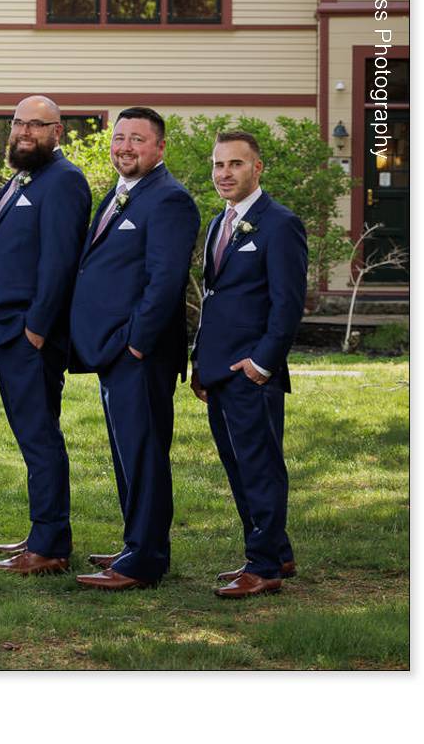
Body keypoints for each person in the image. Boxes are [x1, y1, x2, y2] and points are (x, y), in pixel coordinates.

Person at [70, 107, 199, 590]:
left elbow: (164, 282)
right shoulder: (123, 193)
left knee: (143, 453)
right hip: (113, 350)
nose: (125, 146)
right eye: (119, 137)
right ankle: (136, 542)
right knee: (128, 452)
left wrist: (136, 346)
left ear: (160, 148)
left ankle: (144, 560)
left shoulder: (169, 199)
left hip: (138, 354)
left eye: (137, 139)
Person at [0, 96, 91, 575]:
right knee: (32, 438)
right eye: (18, 123)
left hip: (30, 335)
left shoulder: (64, 181)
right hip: (5, 332)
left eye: (36, 125)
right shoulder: (24, 176)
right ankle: (41, 533)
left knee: (40, 440)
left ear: (57, 132)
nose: (23, 132)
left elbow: (59, 262)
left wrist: (37, 329)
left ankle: (49, 548)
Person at [190, 131, 308, 598]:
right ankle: (277, 551)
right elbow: (215, 299)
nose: (224, 174)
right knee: (238, 466)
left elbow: (287, 305)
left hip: (252, 372)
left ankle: (263, 568)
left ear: (257, 168)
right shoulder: (221, 222)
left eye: (235, 164)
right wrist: (202, 363)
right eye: (219, 165)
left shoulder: (279, 224)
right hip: (219, 370)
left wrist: (263, 364)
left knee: (259, 467)